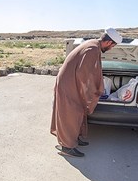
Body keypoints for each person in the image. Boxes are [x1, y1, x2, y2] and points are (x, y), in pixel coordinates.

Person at [50, 27, 122, 157]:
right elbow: (83, 74)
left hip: (70, 80)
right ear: (109, 42)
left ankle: (73, 139)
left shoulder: (93, 44)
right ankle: (67, 147)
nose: (111, 49)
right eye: (112, 46)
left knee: (77, 112)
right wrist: (91, 91)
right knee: (70, 114)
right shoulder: (92, 49)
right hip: (69, 83)